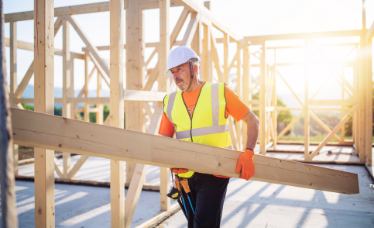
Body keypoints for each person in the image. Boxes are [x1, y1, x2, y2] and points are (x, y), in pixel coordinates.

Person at [159, 46, 259, 228]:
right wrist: (171, 163)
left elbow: (252, 121)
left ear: (194, 68)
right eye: (172, 72)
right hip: (185, 175)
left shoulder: (219, 92)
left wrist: (249, 152)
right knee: (194, 224)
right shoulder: (170, 101)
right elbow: (162, 141)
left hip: (215, 172)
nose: (175, 76)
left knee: (204, 225)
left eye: (179, 69)